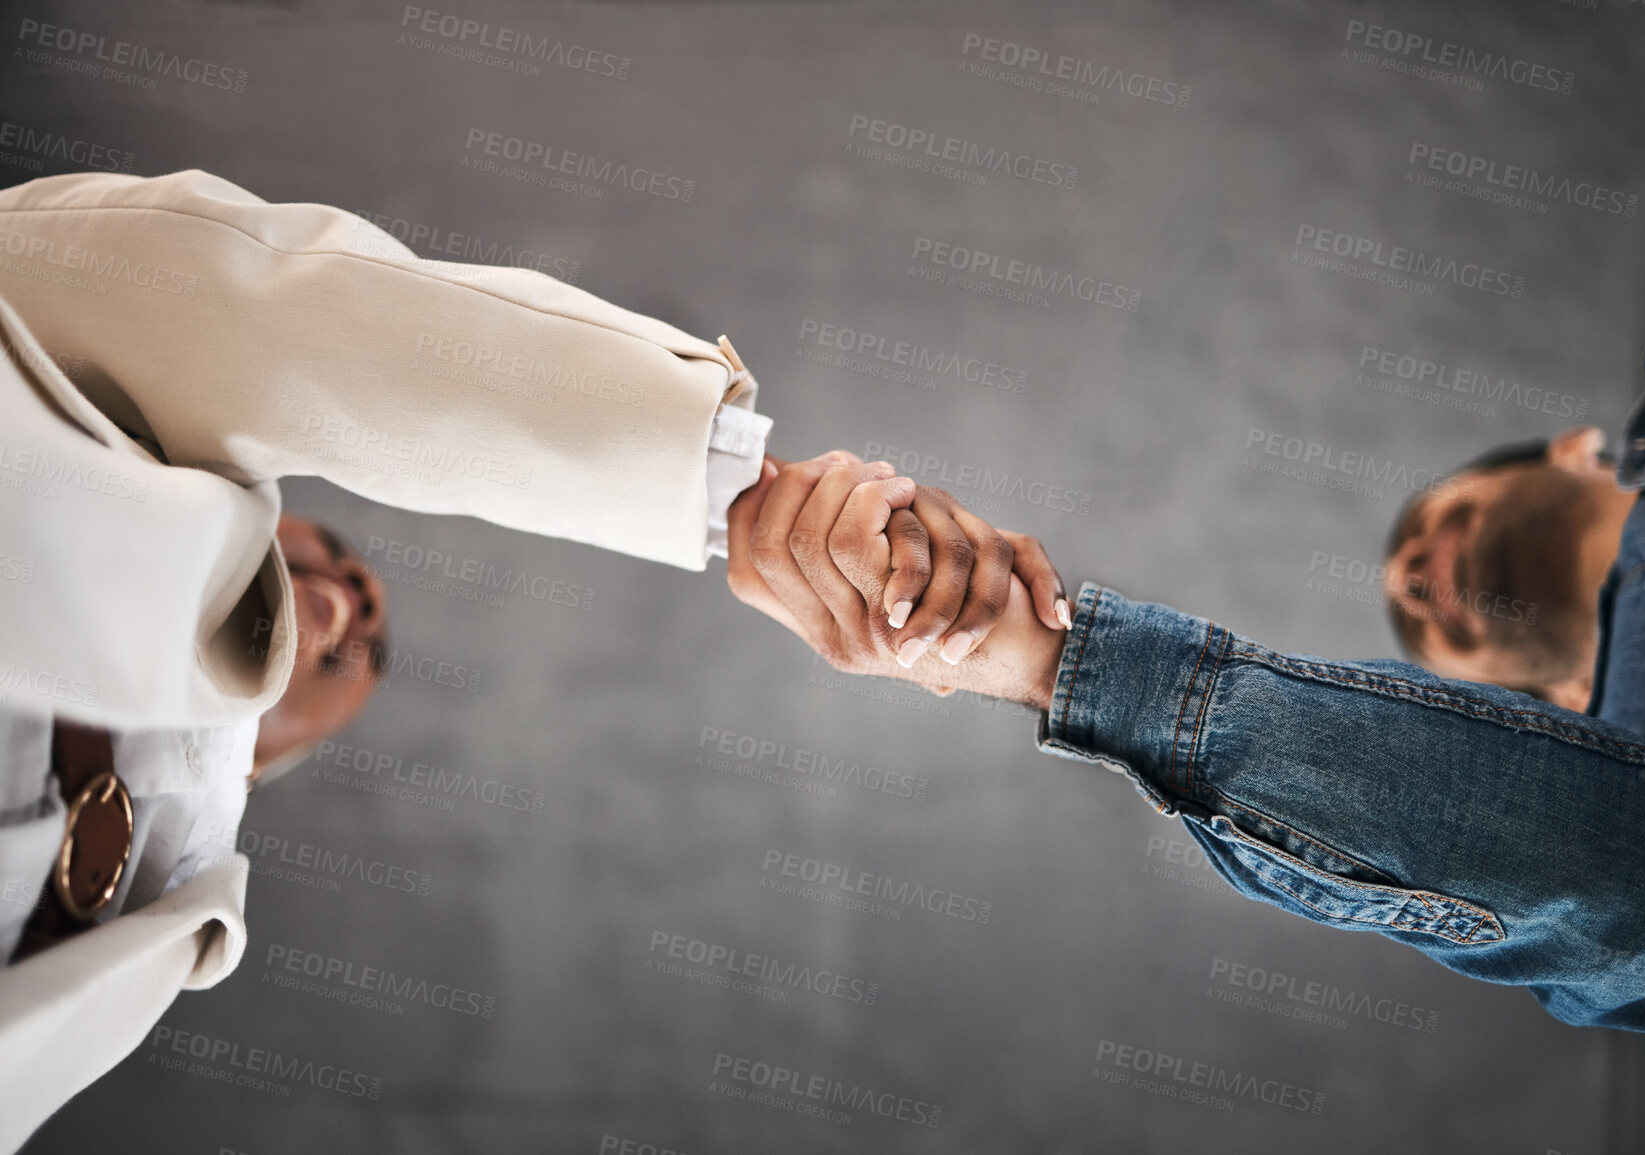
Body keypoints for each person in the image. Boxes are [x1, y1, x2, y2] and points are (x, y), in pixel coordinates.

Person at [0, 168, 1050, 1150]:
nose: (353, 602)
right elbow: (282, 320)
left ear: (280, 765)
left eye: (363, 644)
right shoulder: (73, 407)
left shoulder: (163, 917)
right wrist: (742, 497)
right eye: (336, 563)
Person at [726, 192, 1645, 1057]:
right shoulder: (1644, 862)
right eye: (1430, 619)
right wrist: (1049, 660)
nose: (1416, 573)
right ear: (1543, 711)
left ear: (1570, 451)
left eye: (1433, 521)